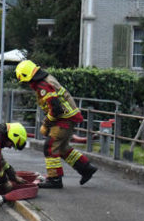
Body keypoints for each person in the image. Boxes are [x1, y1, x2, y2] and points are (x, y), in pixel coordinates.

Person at [14, 60, 97, 188]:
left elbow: (56, 108)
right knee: (62, 148)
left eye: (25, 81)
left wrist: (46, 124)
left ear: (28, 77)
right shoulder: (47, 79)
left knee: (50, 146)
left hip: (63, 119)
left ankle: (54, 179)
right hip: (67, 118)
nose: (27, 84)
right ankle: (86, 168)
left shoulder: (43, 86)